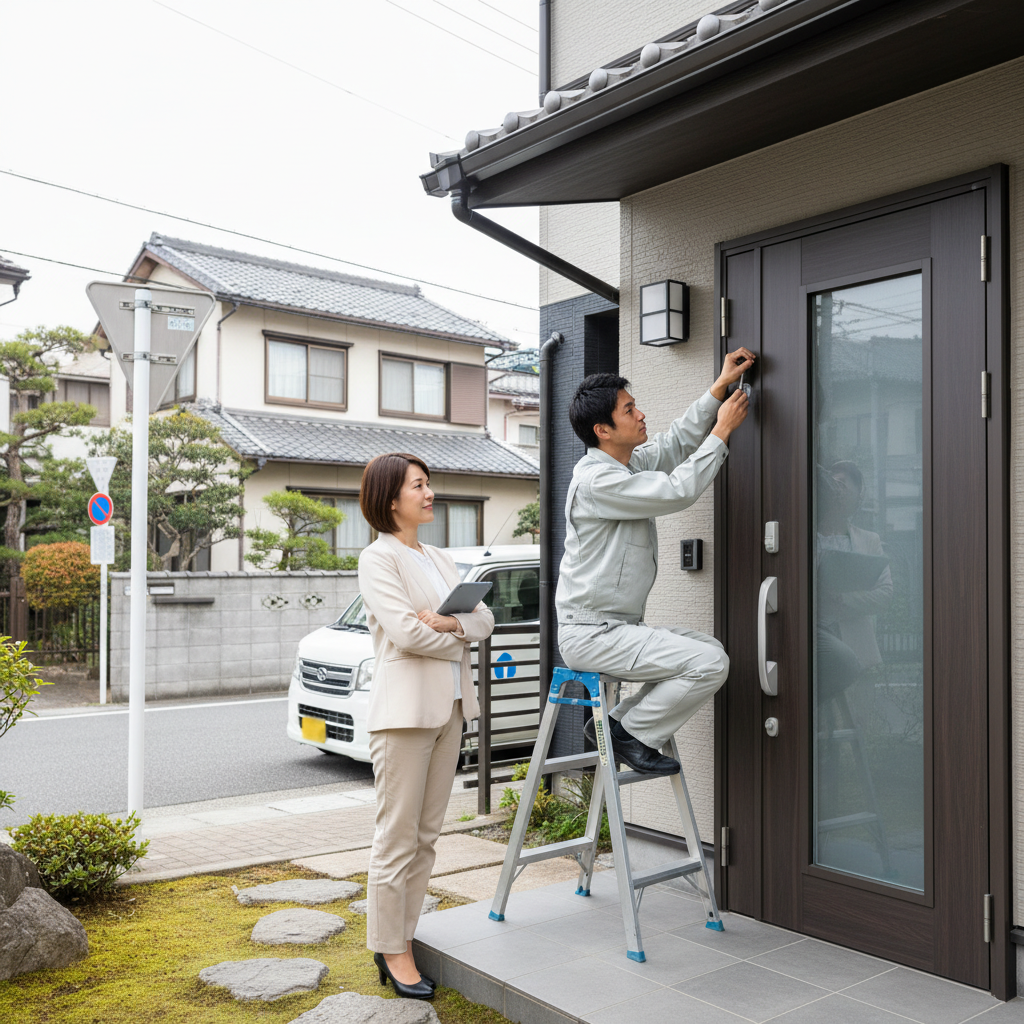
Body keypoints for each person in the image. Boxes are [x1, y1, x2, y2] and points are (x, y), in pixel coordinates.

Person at [556, 350, 754, 774]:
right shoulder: (598, 480)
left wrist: (718, 389)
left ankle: (616, 724)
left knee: (709, 650)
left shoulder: (623, 465)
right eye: (629, 409)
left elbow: (674, 444)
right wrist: (722, 432)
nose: (640, 414)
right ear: (603, 430)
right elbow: (676, 491)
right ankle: (632, 735)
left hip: (615, 627)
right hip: (592, 634)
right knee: (710, 664)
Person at [357, 452, 495, 999]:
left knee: (427, 837)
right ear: (392, 498)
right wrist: (458, 631)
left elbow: (485, 617)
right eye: (418, 485)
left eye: (429, 483)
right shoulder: (378, 558)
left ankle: (403, 935)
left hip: (453, 708)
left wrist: (452, 622)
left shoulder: (437, 556)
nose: (430, 492)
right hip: (404, 716)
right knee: (397, 837)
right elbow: (408, 635)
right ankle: (391, 948)